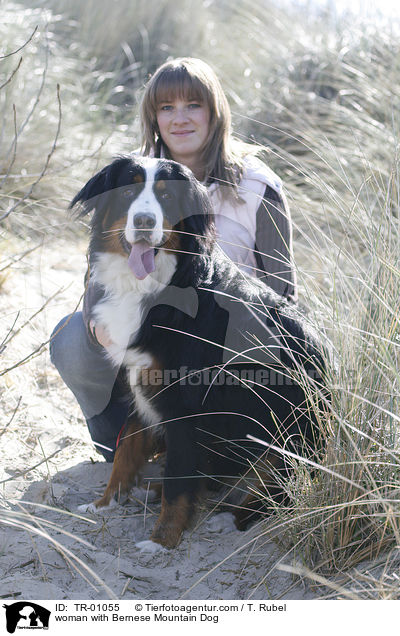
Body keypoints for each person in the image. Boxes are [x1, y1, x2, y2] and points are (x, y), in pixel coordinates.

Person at [50, 57, 297, 462]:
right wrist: (107, 331)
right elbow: (98, 272)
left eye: (193, 105)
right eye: (166, 108)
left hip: (220, 348)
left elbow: (281, 291)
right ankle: (121, 440)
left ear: (215, 113)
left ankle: (214, 451)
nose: (179, 119)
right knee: (73, 336)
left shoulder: (257, 186)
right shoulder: (130, 176)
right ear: (153, 117)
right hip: (142, 338)